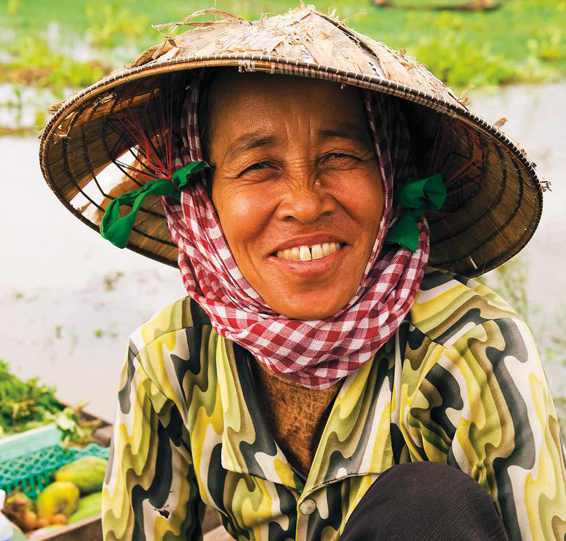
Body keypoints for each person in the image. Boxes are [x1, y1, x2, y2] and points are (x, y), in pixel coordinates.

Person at [38, 6, 565, 541]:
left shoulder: (471, 348)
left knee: (429, 505)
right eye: (259, 166)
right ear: (203, 200)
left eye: (341, 156)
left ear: (389, 177)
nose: (306, 204)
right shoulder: (171, 359)